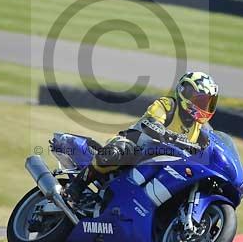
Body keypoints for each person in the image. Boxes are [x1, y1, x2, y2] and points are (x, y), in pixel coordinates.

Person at [66, 71, 219, 202]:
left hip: (167, 163)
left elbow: (213, 146)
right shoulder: (167, 105)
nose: (204, 107)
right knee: (114, 153)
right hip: (137, 145)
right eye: (201, 101)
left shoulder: (201, 128)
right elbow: (150, 123)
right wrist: (172, 137)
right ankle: (76, 186)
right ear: (185, 93)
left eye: (208, 102)